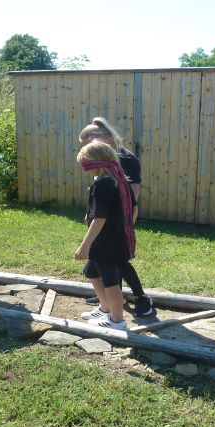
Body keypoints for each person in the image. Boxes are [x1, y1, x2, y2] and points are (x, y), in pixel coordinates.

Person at [78, 117, 154, 317]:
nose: (88, 147)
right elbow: (100, 204)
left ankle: (137, 301)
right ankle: (109, 305)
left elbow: (131, 197)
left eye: (91, 142)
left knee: (116, 267)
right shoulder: (104, 171)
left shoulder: (124, 161)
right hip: (107, 229)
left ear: (109, 138)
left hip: (117, 226)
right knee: (96, 270)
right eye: (86, 144)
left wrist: (125, 224)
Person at [75, 140, 137, 330]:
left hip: (106, 242)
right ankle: (105, 308)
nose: (85, 170)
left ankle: (117, 321)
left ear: (97, 163)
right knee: (91, 272)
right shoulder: (119, 180)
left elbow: (99, 219)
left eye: (86, 165)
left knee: (110, 281)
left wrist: (85, 245)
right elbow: (134, 209)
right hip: (114, 239)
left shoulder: (104, 184)